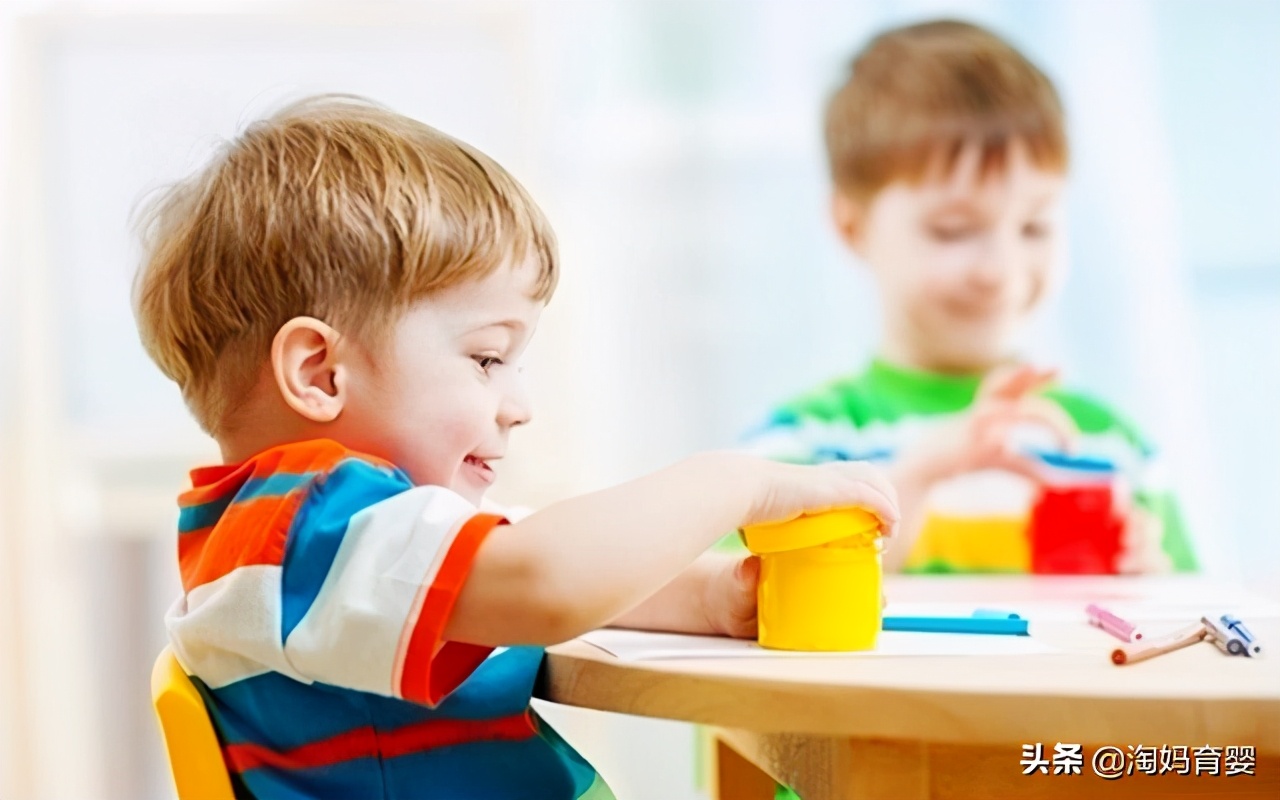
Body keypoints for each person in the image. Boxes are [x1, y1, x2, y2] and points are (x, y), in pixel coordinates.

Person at [133, 95, 898, 799]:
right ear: (320, 371)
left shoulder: (349, 535)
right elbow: (545, 579)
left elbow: (532, 563)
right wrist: (736, 485)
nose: (519, 406)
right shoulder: (298, 531)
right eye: (488, 358)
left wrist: (718, 597)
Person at [744, 19, 1196, 575]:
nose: (1001, 270)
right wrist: (907, 486)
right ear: (851, 226)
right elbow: (739, 609)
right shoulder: (798, 452)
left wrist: (1153, 586)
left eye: (1034, 227)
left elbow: (1196, 636)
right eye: (953, 230)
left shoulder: (1111, 450)